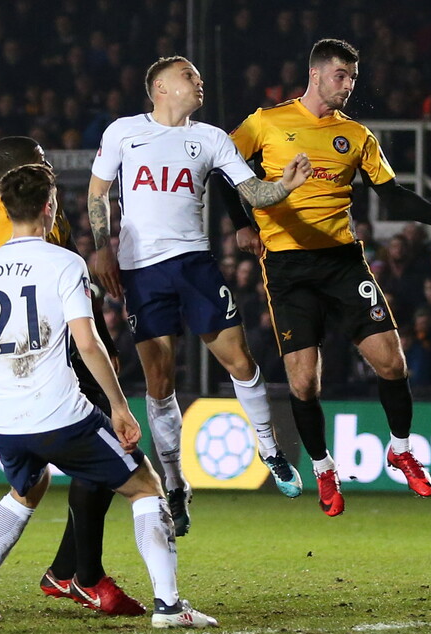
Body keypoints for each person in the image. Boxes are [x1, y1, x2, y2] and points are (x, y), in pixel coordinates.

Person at [0, 164, 216, 629]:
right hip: (60, 413)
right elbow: (88, 343)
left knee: (26, 490)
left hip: (4, 421)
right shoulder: (64, 263)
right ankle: (171, 607)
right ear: (49, 208)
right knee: (145, 486)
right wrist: (119, 407)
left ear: (5, 210)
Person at [228, 39, 431, 516]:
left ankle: (401, 449)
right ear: (316, 74)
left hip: (343, 263)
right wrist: (242, 224)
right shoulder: (266, 122)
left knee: (392, 362)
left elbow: (393, 194)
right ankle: (323, 469)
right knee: (304, 384)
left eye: (353, 78)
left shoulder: (357, 135)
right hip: (287, 267)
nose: (348, 85)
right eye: (341, 76)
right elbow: (223, 169)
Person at [88, 56, 313, 535]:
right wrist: (102, 247)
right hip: (141, 270)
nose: (199, 81)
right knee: (159, 380)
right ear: (161, 87)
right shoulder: (123, 131)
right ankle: (174, 483)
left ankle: (270, 449)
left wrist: (285, 186)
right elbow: (97, 193)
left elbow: (253, 192)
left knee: (240, 361)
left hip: (194, 263)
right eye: (189, 75)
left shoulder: (211, 138)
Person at [0, 136, 143, 615]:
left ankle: (65, 571)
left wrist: (105, 342)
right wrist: (88, 349)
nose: (49, 165)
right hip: (55, 355)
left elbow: (79, 286)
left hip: (71, 346)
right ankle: (83, 575)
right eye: (41, 161)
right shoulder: (6, 229)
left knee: (99, 457)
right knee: (108, 454)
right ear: (17, 171)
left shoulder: (46, 213)